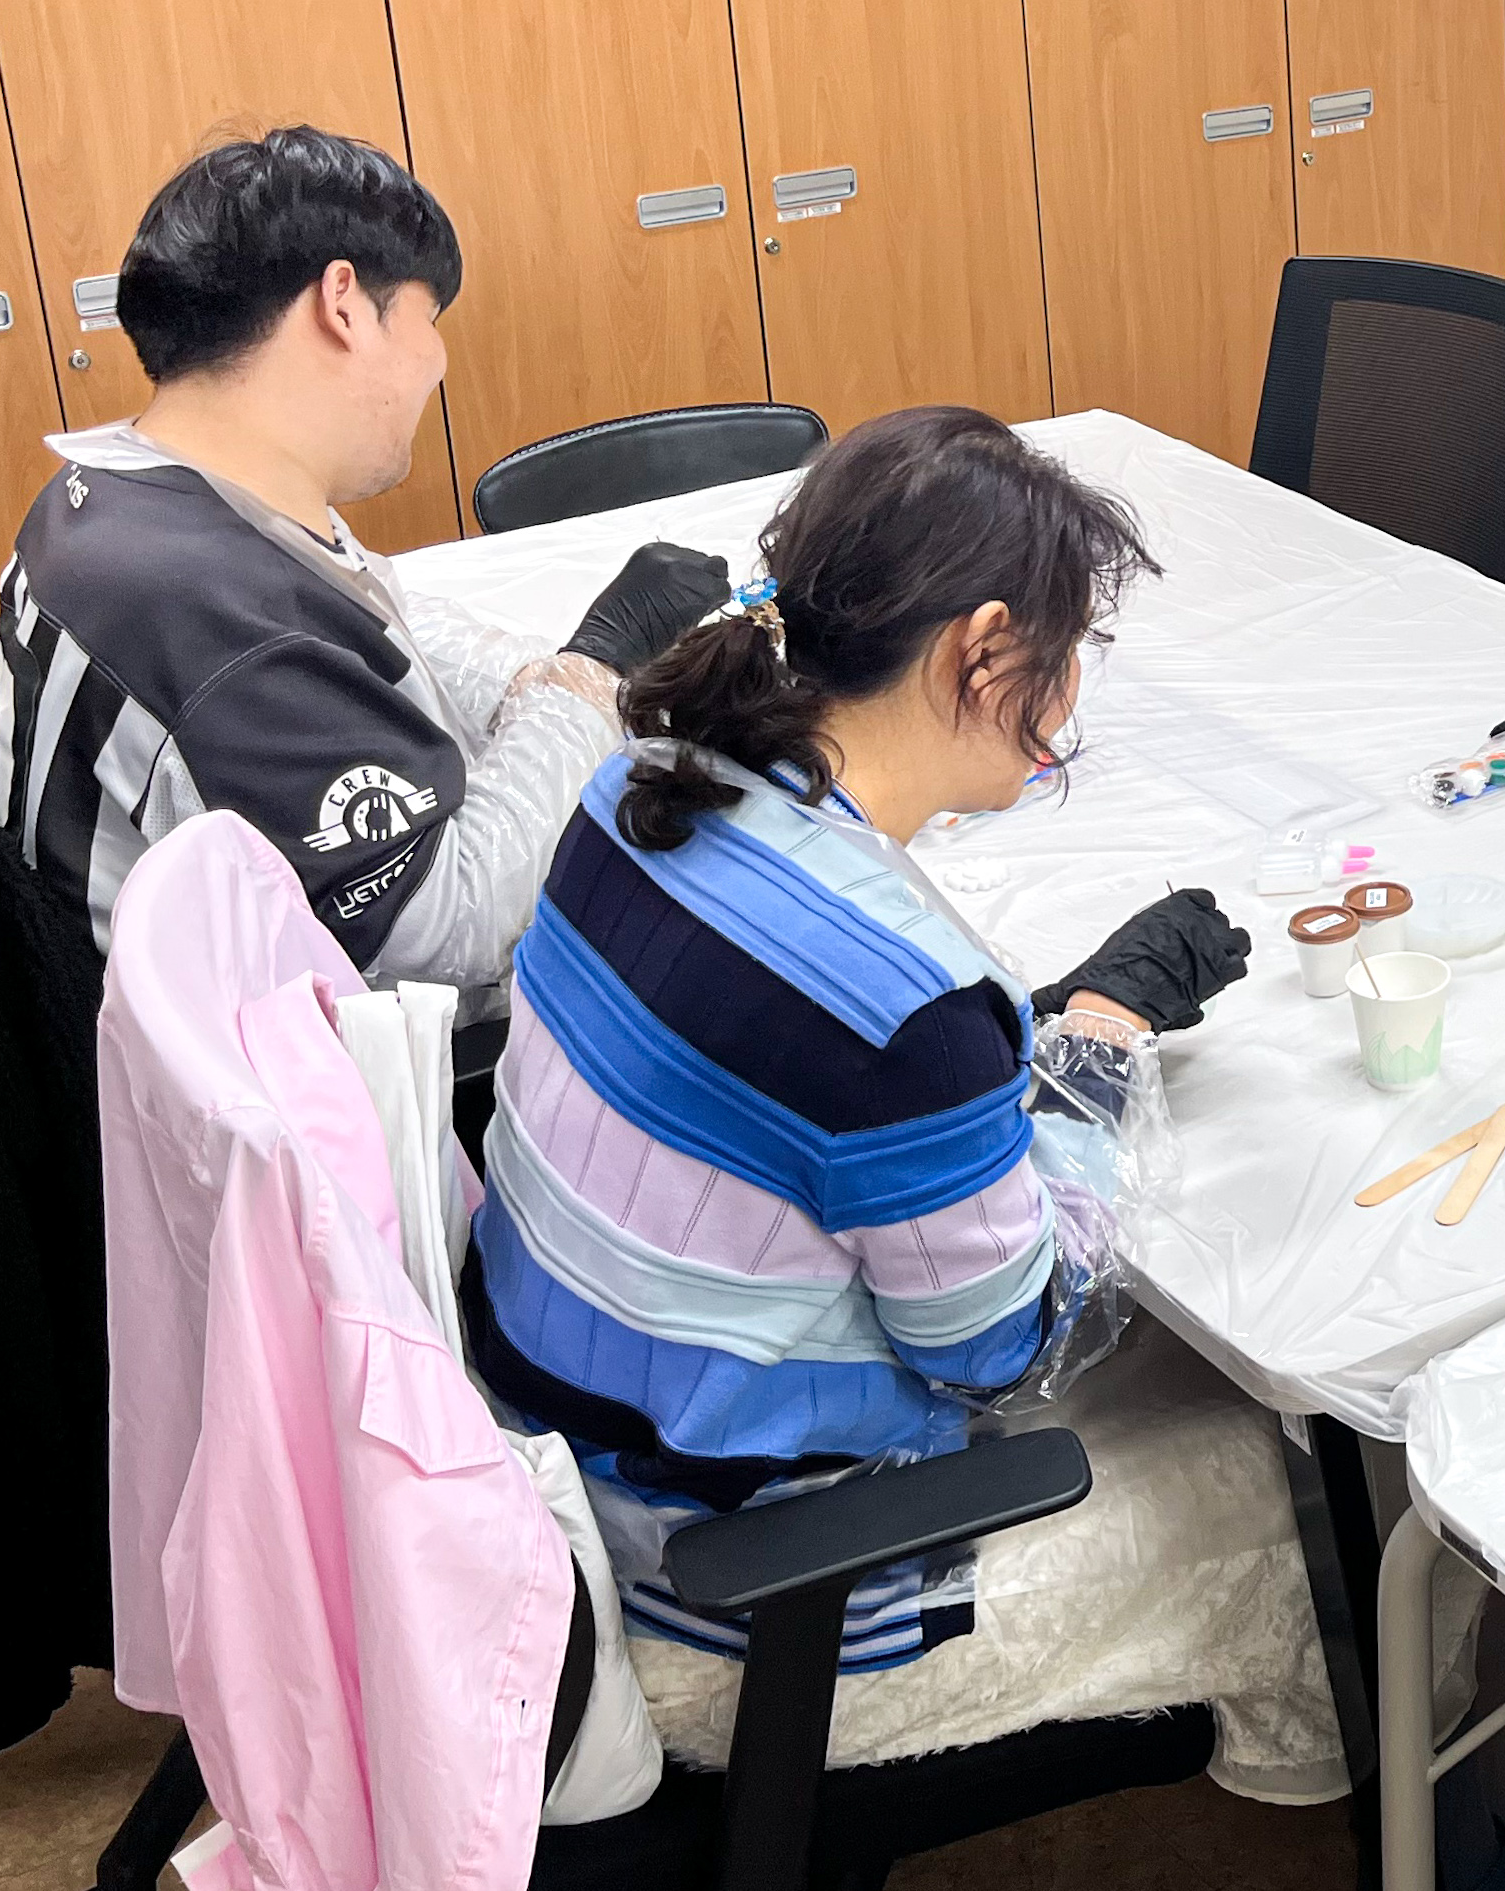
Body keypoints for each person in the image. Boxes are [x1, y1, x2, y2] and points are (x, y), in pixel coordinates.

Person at [463, 405, 1340, 1789]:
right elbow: (1002, 1349)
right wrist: (1098, 1039)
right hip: (730, 1598)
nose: (1069, 697)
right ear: (982, 651)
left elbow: (784, 1061)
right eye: (1067, 654)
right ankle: (1358, 1802)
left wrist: (1002, 1054)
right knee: (1301, 1478)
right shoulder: (909, 1011)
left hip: (540, 1479)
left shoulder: (636, 780)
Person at [0, 127, 728, 978]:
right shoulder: (206, 608)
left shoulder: (129, 497)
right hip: (289, 1040)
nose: (436, 361)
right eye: (427, 319)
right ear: (343, 305)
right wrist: (591, 667)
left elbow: (353, 611)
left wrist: (535, 679)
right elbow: (451, 931)